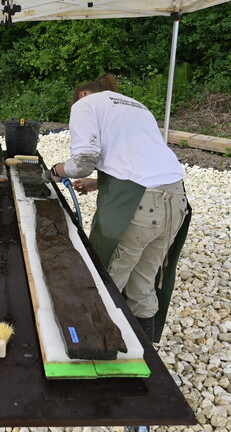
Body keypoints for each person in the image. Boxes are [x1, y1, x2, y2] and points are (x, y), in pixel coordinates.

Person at [46, 74, 191, 343]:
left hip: (138, 208)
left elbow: (84, 159)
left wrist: (56, 171)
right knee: (143, 284)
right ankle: (146, 354)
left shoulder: (85, 105)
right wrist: (99, 182)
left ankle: (97, 347)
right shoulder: (136, 106)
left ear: (81, 94)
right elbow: (138, 158)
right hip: (176, 201)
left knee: (103, 281)